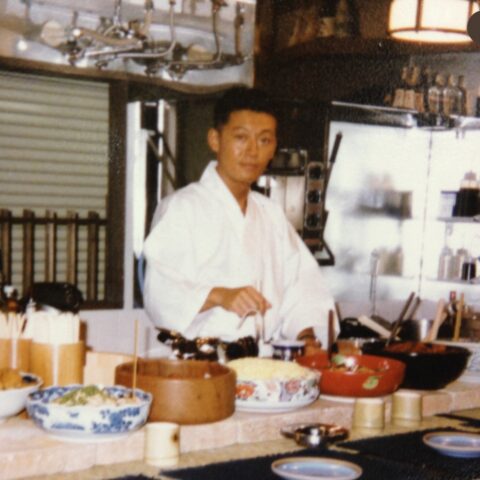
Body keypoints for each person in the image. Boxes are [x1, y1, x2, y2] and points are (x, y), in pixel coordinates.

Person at [143, 86, 336, 347]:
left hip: (263, 360)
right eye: (241, 138)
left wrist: (307, 337)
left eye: (264, 140)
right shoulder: (182, 208)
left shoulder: (271, 214)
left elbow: (302, 287)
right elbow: (160, 293)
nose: (253, 151)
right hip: (201, 359)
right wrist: (220, 296)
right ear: (215, 140)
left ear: (274, 148)